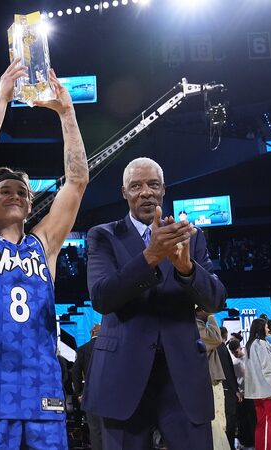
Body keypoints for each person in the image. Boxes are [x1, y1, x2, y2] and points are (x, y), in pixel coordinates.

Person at [0, 60, 89, 449]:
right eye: (4, 191)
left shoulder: (43, 245)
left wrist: (68, 113)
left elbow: (77, 181)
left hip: (43, 389)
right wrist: (2, 99)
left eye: (21, 192)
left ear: (31, 206)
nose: (14, 195)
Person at [84, 157, 227, 449]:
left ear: (164, 190)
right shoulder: (103, 236)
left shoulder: (190, 236)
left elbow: (216, 299)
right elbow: (102, 297)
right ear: (124, 192)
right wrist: (151, 255)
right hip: (122, 377)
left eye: (153, 185)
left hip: (182, 378)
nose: (145, 192)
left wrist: (187, 270)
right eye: (136, 186)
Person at [244, 318, 271, 450]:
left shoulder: (249, 345)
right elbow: (268, 370)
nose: (268, 329)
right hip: (268, 390)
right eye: (267, 327)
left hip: (255, 391)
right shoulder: (261, 344)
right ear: (262, 328)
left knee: (261, 424)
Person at [196, 307, 231, 450]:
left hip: (212, 380)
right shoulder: (195, 325)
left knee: (219, 421)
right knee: (215, 421)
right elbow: (217, 338)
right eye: (204, 309)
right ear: (197, 311)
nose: (209, 311)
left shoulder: (200, 325)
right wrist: (211, 317)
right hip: (207, 381)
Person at [72, 324, 104, 450]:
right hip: (111, 394)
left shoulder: (83, 349)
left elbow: (75, 372)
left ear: (91, 333)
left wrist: (79, 393)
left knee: (95, 429)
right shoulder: (110, 348)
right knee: (112, 429)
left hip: (90, 394)